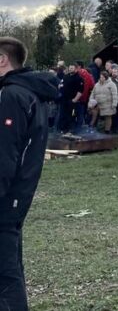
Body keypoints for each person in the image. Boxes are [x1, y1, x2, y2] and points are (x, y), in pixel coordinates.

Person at [0, 38, 58, 310]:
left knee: (5, 273)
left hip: (8, 195)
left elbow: (6, 154)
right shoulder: (29, 92)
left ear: (2, 59)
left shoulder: (12, 95)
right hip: (17, 195)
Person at [58, 63, 84, 134]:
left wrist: (75, 100)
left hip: (72, 101)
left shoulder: (79, 78)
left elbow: (80, 91)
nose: (70, 69)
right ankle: (63, 129)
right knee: (63, 114)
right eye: (70, 68)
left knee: (72, 115)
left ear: (76, 69)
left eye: (72, 68)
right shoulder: (66, 76)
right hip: (64, 100)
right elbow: (61, 84)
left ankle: (71, 129)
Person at [75, 61, 95, 132]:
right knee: (81, 113)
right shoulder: (89, 75)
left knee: (73, 113)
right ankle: (79, 128)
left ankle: (73, 128)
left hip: (75, 97)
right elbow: (92, 86)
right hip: (84, 98)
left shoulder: (76, 73)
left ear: (79, 66)